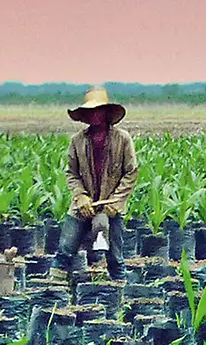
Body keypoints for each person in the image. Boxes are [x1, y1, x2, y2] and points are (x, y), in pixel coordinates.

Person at [52, 87, 139, 282]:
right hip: (82, 206)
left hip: (111, 206)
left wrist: (115, 202)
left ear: (107, 113)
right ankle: (53, 292)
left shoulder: (122, 139)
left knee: (115, 257)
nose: (94, 115)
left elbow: (131, 172)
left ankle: (119, 294)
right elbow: (72, 173)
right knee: (64, 251)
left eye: (98, 110)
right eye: (90, 111)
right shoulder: (77, 141)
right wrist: (81, 196)